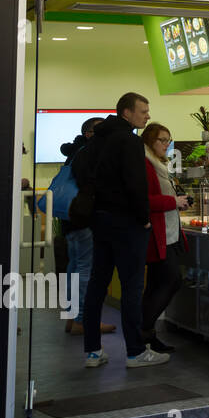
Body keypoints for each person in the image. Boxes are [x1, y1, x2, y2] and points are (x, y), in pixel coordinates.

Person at [76, 92, 170, 368]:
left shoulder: (97, 139)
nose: (147, 116)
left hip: (100, 219)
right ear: (127, 113)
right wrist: (143, 218)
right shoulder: (128, 141)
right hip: (127, 223)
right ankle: (135, 351)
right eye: (143, 111)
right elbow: (135, 185)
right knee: (132, 287)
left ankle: (92, 351)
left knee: (97, 284)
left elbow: (81, 171)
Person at [61, 117, 113, 336]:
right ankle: (82, 320)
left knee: (75, 267)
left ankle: (72, 318)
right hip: (84, 218)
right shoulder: (89, 152)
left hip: (70, 219)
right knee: (85, 270)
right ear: (91, 133)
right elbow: (91, 185)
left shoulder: (75, 151)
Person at [140, 123, 188, 354]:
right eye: (162, 140)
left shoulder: (158, 165)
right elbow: (144, 200)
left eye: (168, 140)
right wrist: (174, 202)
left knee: (157, 285)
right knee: (171, 281)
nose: (166, 144)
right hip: (156, 236)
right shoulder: (146, 165)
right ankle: (142, 331)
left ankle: (147, 336)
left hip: (167, 234)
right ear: (150, 141)